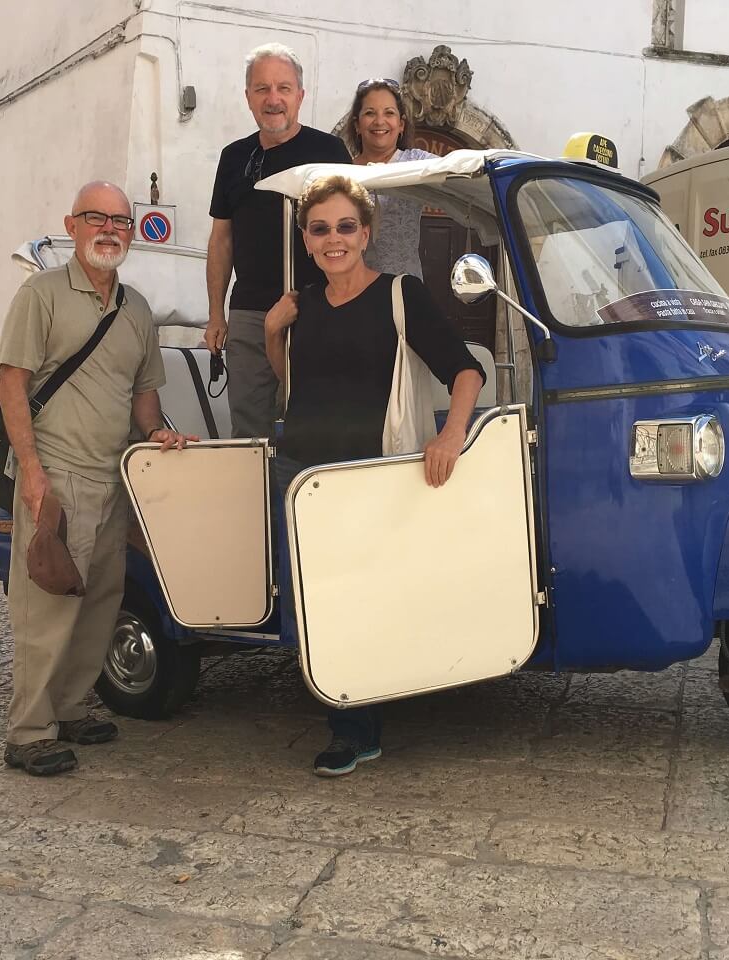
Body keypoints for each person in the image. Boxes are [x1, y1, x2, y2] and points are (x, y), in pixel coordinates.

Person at [263, 175, 485, 776]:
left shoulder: (400, 294)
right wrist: (271, 332)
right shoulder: (303, 303)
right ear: (306, 240)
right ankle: (345, 708)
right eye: (319, 229)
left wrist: (451, 435)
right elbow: (292, 384)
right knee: (312, 602)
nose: (332, 239)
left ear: (366, 234)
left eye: (345, 227)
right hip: (301, 472)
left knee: (357, 599)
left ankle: (353, 729)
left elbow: (465, 370)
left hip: (367, 475)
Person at [0, 180, 195, 777]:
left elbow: (143, 395)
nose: (109, 230)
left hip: (114, 478)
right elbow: (12, 385)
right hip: (57, 474)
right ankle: (28, 731)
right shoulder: (41, 294)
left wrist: (156, 433)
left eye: (120, 221)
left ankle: (68, 709)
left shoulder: (136, 309)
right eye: (96, 218)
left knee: (99, 605)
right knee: (47, 606)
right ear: (72, 225)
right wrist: (32, 474)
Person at [206, 43, 350, 439]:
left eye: (283, 88)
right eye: (262, 89)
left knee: (316, 424)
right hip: (249, 314)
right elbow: (221, 240)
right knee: (249, 432)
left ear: (300, 96)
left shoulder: (329, 152)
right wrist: (216, 314)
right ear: (248, 97)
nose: (273, 99)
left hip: (317, 309)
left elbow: (351, 232)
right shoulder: (234, 158)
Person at [345, 78, 436, 280]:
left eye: (389, 113)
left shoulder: (416, 162)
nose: (379, 121)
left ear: (401, 124)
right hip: (353, 286)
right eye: (370, 113)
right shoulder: (342, 171)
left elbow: (456, 168)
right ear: (357, 125)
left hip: (404, 286)